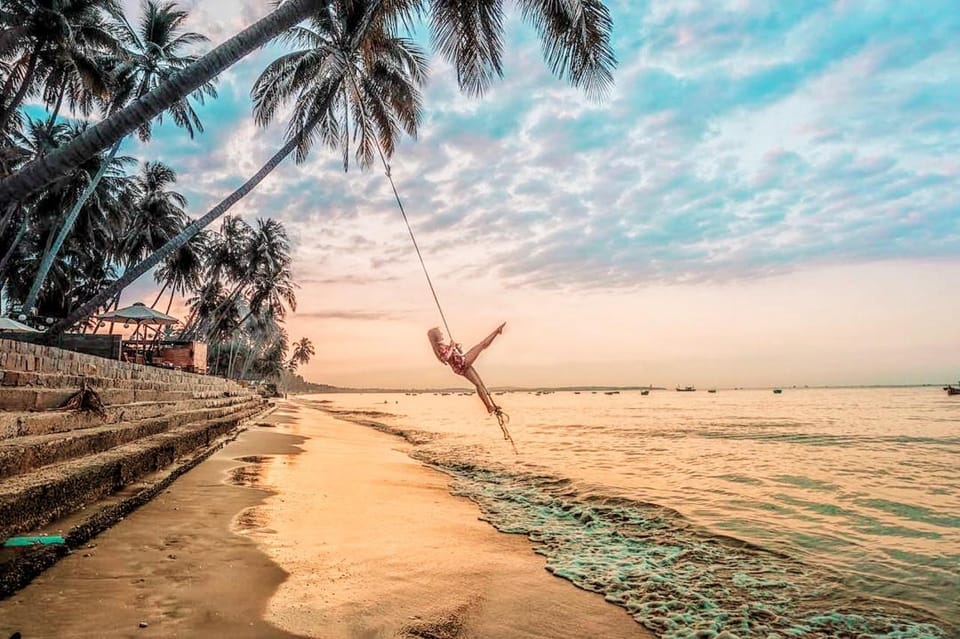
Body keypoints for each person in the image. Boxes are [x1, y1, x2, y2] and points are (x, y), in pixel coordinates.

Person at [427, 323, 506, 415]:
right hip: (461, 363)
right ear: (436, 336)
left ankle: (489, 406)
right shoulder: (439, 347)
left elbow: (453, 355)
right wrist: (452, 347)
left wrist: (457, 348)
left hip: (460, 364)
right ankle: (497, 331)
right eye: (440, 333)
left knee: (479, 384)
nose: (442, 334)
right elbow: (445, 358)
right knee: (482, 345)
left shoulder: (441, 346)